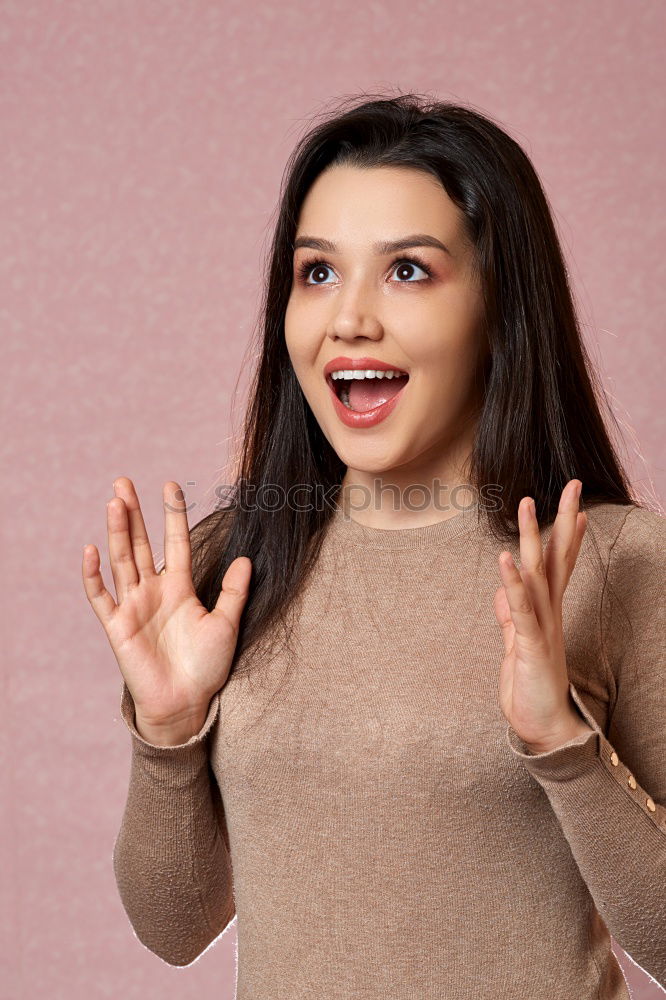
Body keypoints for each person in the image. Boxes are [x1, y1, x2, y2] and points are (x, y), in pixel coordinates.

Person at [81, 92, 665, 998]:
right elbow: (173, 928)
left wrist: (563, 745)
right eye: (318, 274)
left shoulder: (605, 561)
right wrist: (166, 734)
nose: (348, 319)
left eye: (408, 272)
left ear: (499, 309)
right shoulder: (233, 566)